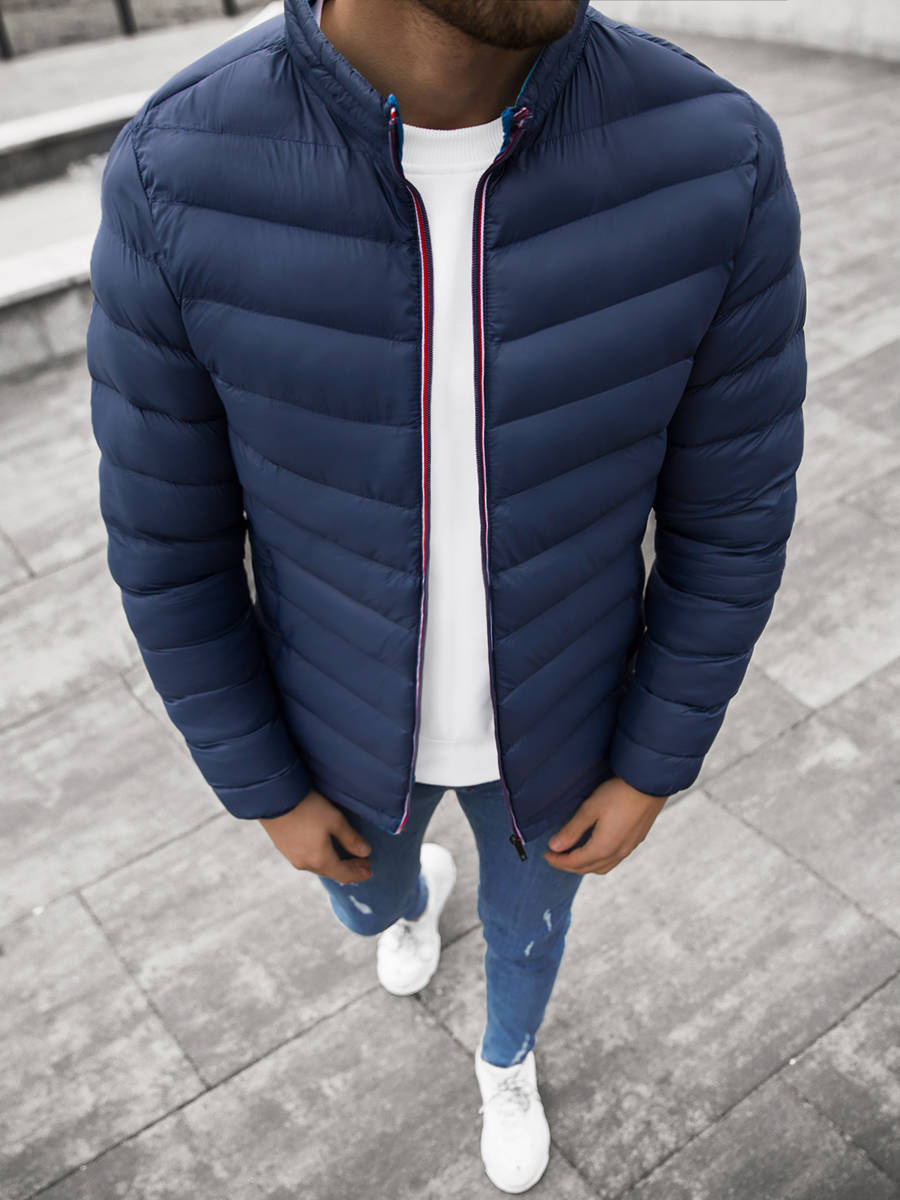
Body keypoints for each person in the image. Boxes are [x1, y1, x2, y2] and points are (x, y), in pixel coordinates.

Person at [85, 0, 807, 1192]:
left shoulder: (713, 152)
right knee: (367, 913)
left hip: (569, 733)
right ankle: (410, 901)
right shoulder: (177, 168)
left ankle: (507, 1059)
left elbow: (733, 517)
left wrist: (654, 763)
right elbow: (169, 544)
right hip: (335, 736)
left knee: (531, 939)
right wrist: (263, 784)